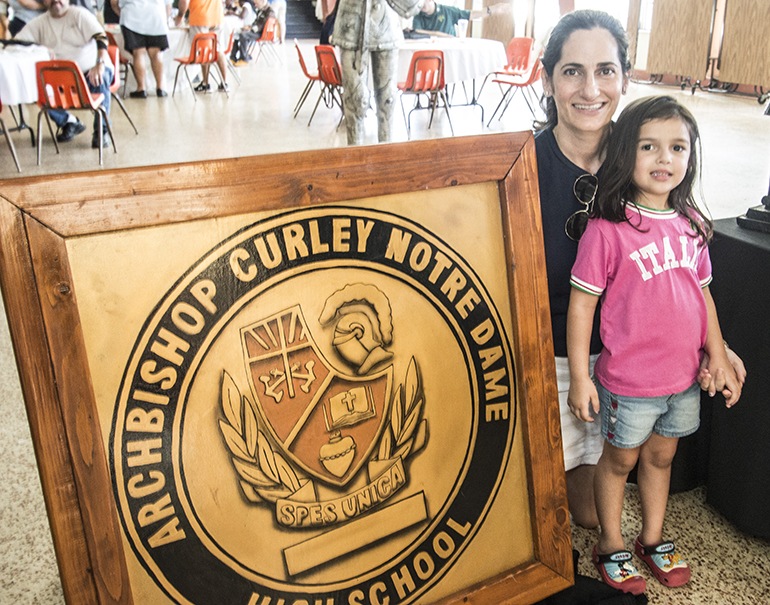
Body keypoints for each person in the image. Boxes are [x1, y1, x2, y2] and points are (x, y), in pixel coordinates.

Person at [534, 10, 746, 531]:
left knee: (588, 512)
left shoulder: (646, 164)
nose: (590, 88)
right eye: (572, 71)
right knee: (565, 511)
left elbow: (681, 273)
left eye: (606, 70)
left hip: (629, 358)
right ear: (547, 78)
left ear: (625, 79)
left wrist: (713, 346)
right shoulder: (519, 166)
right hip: (550, 352)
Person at [566, 95, 742, 594]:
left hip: (683, 382)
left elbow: (702, 296)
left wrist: (718, 351)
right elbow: (582, 307)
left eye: (678, 147)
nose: (665, 159)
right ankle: (610, 542)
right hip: (628, 383)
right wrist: (581, 377)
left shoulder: (693, 226)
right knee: (619, 461)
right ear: (626, 153)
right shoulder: (608, 229)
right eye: (650, 146)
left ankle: (652, 537)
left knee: (661, 459)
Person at [17, 0, 114, 148]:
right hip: (60, 80)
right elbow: (18, 42)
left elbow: (101, 37)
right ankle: (69, 122)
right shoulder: (39, 23)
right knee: (38, 88)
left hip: (89, 72)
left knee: (101, 76)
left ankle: (102, 130)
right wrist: (39, 47)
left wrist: (100, 63)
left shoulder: (80, 14)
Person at [111, 0, 171, 98]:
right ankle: (160, 88)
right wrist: (165, 18)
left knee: (138, 53)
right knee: (156, 53)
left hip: (132, 15)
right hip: (156, 14)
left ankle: (141, 88)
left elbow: (114, 3)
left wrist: (122, 13)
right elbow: (168, 4)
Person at [175, 0, 229, 93]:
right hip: (217, 15)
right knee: (218, 49)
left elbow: (184, 1)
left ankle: (205, 83)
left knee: (203, 49)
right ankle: (224, 83)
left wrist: (180, 16)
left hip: (200, 16)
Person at [412, 0, 508, 37]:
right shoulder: (417, 15)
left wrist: (491, 10)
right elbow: (417, 32)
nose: (419, 5)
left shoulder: (448, 11)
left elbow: (470, 14)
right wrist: (440, 35)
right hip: (429, 52)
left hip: (449, 51)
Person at [230, 0, 273, 66]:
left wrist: (251, 28)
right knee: (238, 32)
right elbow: (256, 22)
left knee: (244, 35)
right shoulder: (260, 9)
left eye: (256, 3)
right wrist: (249, 26)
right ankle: (233, 57)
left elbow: (263, 25)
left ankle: (244, 59)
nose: (255, 5)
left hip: (261, 33)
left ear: (263, 1)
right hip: (256, 30)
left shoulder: (269, 11)